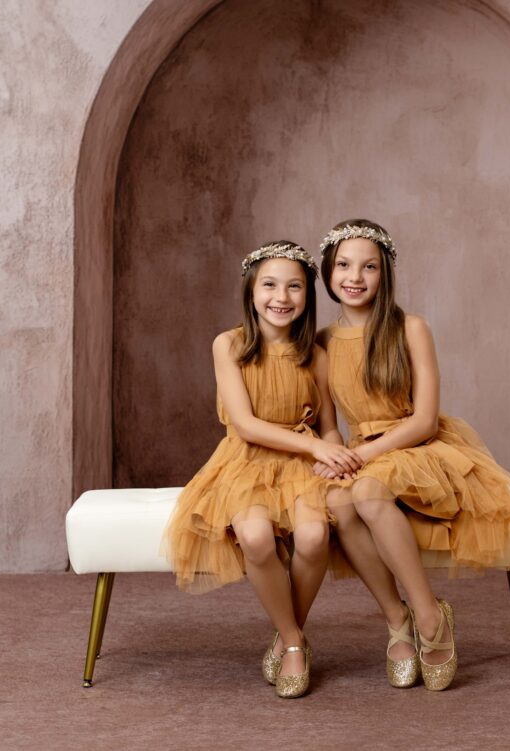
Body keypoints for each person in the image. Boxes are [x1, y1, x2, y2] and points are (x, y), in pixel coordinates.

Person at [316, 219, 510, 691]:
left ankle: (429, 616)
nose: (355, 276)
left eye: (369, 267)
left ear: (385, 273)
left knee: (370, 491)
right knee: (337, 502)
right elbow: (330, 424)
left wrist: (367, 455)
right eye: (344, 265)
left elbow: (424, 420)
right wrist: (335, 453)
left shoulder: (410, 328)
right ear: (328, 271)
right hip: (359, 450)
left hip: (414, 444)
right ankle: (396, 620)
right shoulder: (323, 343)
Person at [164, 241, 361, 698]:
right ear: (251, 291)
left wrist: (332, 452)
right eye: (270, 285)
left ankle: (286, 632)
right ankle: (295, 642)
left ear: (308, 297)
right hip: (246, 460)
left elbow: (330, 428)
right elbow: (247, 425)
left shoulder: (316, 355)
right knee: (255, 537)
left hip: (302, 463)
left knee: (314, 536)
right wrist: (313, 447)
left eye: (295, 287)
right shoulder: (229, 344)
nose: (282, 297)